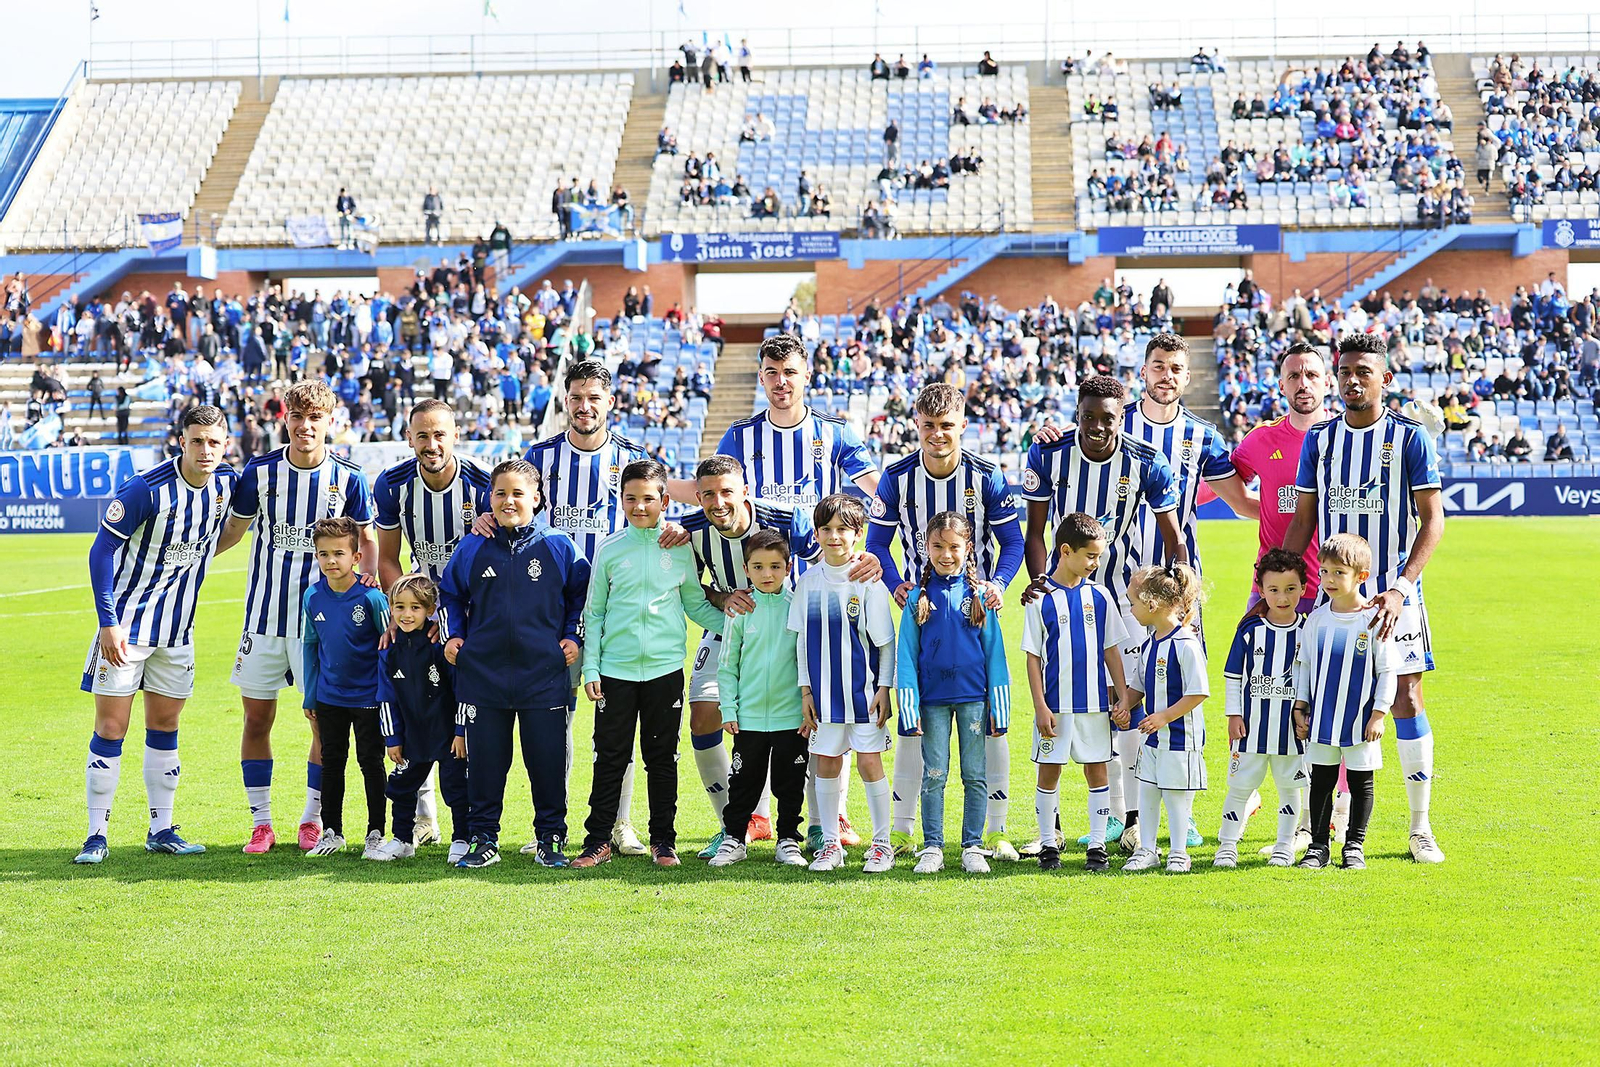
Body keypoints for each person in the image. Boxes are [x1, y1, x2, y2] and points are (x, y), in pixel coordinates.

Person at [712, 333, 882, 849]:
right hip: (760, 591)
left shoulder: (834, 434)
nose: (780, 382)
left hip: (824, 589)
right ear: (760, 377)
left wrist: (866, 548)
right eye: (771, 372)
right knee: (760, 697)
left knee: (830, 700)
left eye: (789, 371)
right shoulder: (741, 436)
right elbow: (716, 493)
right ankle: (757, 816)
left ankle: (835, 818)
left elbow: (876, 492)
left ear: (806, 374)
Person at [1281, 333, 1446, 864]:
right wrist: (1278, 582)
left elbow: (1433, 520)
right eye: (1345, 371)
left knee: (1405, 702)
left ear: (1385, 379)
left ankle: (1419, 827)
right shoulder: (1320, 441)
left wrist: (1400, 585)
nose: (1353, 380)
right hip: (1333, 602)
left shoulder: (1409, 437)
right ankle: (1316, 826)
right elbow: (1303, 521)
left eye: (1364, 372)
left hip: (1394, 598)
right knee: (1321, 700)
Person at [518, 360, 690, 855]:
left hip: (615, 612)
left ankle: (621, 825)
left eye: (594, 397)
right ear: (565, 400)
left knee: (620, 725)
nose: (585, 406)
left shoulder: (633, 459)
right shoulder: (540, 457)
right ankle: (549, 826)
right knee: (556, 719)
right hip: (551, 612)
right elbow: (515, 506)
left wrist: (684, 527)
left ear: (610, 401)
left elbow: (659, 509)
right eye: (576, 397)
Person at [1021, 375, 1182, 854]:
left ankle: (1130, 818)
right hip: (1060, 595)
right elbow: (1034, 530)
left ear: (1122, 416)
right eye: (1088, 416)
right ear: (1076, 412)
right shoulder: (1047, 454)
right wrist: (1039, 581)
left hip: (1123, 601)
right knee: (1064, 698)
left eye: (1107, 418)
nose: (1097, 426)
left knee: (1126, 702)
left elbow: (1173, 535)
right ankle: (1102, 820)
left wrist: (1178, 585)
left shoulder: (1146, 461)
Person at [73, 405, 239, 864]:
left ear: (226, 444)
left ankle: (161, 829)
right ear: (181, 441)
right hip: (126, 631)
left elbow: (227, 534)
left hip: (177, 632)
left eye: (214, 442)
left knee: (165, 728)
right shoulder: (146, 490)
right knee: (111, 728)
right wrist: (108, 622)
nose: (206, 450)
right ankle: (95, 835)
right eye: (197, 441)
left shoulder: (227, 484)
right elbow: (101, 551)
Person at [217, 380, 377, 854]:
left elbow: (367, 542)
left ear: (330, 421)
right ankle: (261, 822)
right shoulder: (260, 473)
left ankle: (311, 818)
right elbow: (233, 531)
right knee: (256, 719)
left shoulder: (349, 478)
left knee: (321, 723)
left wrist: (369, 580)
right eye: (296, 417)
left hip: (324, 627)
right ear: (284, 419)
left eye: (315, 418)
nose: (305, 426)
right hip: (263, 618)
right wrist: (192, 559)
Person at [867, 382, 1022, 858]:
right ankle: (907, 828)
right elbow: (877, 544)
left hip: (974, 609)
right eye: (929, 426)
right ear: (916, 424)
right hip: (922, 609)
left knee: (987, 720)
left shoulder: (988, 475)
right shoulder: (897, 477)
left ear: (962, 426)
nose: (938, 434)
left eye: (947, 426)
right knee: (922, 723)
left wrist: (994, 586)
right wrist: (899, 587)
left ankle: (992, 830)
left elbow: (1012, 543)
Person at [572, 460, 725, 869]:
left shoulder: (679, 548)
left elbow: (695, 604)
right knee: (610, 757)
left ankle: (664, 841)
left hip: (664, 672)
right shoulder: (609, 548)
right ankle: (597, 841)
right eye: (631, 499)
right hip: (615, 674)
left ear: (664, 500)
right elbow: (596, 614)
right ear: (620, 501)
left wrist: (741, 621)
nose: (639, 507)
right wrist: (591, 669)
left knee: (662, 758)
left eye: (648, 499)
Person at [440, 460, 588, 869]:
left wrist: (573, 636)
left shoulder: (558, 545)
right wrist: (454, 635)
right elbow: (449, 594)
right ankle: (483, 839)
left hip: (543, 674)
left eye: (518, 493)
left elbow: (582, 597)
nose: (509, 501)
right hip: (483, 675)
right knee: (486, 764)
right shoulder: (472, 546)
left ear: (537, 499)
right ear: (489, 498)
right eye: (501, 493)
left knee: (547, 761)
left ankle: (551, 838)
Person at [679, 455, 826, 858]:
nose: (719, 502)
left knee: (818, 711)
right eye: (708, 494)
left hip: (789, 626)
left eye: (727, 491)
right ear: (698, 497)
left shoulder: (785, 519)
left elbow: (823, 567)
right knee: (704, 711)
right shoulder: (689, 532)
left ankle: (818, 823)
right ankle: (733, 826)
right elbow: (694, 592)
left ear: (745, 491)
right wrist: (725, 600)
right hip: (729, 625)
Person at [896, 512, 1011, 875]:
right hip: (931, 702)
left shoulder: (981, 596)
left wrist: (1000, 707)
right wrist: (909, 708)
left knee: (975, 775)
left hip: (974, 702)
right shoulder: (917, 598)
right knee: (933, 775)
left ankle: (972, 846)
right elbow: (906, 657)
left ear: (968, 549)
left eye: (954, 547)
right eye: (938, 546)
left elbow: (995, 654)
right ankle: (932, 846)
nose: (946, 554)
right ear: (925, 548)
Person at [791, 494, 897, 873]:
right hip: (824, 697)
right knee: (826, 763)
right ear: (817, 534)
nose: (834, 536)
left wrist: (885, 688)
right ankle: (830, 845)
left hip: (864, 695)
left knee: (870, 763)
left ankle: (882, 844)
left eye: (843, 530)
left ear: (858, 533)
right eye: (827, 530)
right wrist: (805, 690)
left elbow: (886, 644)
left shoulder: (869, 583)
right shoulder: (807, 583)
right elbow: (802, 641)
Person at [1021, 513, 1129, 874]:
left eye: (1099, 557)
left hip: (1095, 706)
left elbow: (1111, 650)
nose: (1096, 563)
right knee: (1049, 774)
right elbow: (1033, 657)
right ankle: (1048, 844)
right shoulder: (1039, 598)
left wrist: (1123, 696)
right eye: (1091, 556)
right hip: (1055, 707)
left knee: (1097, 772)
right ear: (1065, 551)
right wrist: (1039, 705)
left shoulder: (1099, 596)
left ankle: (1097, 846)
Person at [706, 529, 810, 868]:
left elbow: (806, 663)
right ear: (747, 569)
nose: (768, 575)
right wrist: (729, 708)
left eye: (776, 567)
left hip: (790, 717)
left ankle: (788, 840)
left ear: (789, 567)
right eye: (759, 567)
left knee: (790, 783)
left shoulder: (796, 608)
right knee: (744, 782)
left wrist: (807, 709)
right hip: (748, 718)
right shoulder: (739, 611)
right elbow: (727, 666)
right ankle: (734, 838)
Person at [1292, 534, 1395, 871]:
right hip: (1322, 719)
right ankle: (1318, 846)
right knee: (1320, 780)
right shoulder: (1318, 620)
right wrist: (1300, 706)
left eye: (1339, 573)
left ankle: (1354, 846)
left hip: (1360, 721)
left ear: (1361, 577)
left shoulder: (1374, 620)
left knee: (1361, 781)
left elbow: (1387, 670)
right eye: (1324, 572)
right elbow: (1304, 665)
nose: (1329, 580)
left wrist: (1378, 714)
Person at [300, 517, 391, 859]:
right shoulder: (313, 596)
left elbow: (387, 648)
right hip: (329, 698)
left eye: (339, 553)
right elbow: (310, 646)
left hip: (368, 697)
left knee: (371, 763)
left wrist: (385, 695)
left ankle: (376, 833)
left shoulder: (371, 598)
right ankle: (333, 832)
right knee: (331, 762)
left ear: (355, 557)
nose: (331, 561)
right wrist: (311, 694)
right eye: (323, 554)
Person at [1213, 549, 1309, 869]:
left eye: (1290, 589)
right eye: (1274, 590)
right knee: (1240, 788)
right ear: (1261, 590)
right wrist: (1233, 715)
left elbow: (1315, 678)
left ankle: (1284, 846)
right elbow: (1232, 675)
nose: (1282, 597)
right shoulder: (1249, 630)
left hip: (1291, 733)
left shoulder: (1308, 631)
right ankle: (1227, 845)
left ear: (1303, 588)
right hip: (1251, 728)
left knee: (1289, 790)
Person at [1119, 562, 1209, 873]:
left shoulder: (1186, 644)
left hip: (1180, 738)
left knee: (1175, 796)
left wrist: (1163, 717)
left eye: (1133, 603)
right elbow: (1139, 686)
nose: (1130, 610)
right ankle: (1147, 850)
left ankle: (1179, 852)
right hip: (1154, 739)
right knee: (1148, 791)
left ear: (1152, 604)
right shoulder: (1148, 645)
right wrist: (1123, 704)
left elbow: (1198, 692)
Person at [373, 575, 469, 863]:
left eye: (415, 607)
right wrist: (392, 739)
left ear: (430, 611)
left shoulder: (442, 647)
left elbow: (463, 689)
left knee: (457, 787)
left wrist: (461, 730)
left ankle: (462, 838)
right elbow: (386, 697)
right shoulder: (388, 650)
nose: (406, 614)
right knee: (401, 787)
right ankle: (402, 839)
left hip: (447, 733)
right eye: (399, 607)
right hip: (411, 734)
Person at [1232, 341, 1330, 609]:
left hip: (1335, 589)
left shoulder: (1347, 437)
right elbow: (1220, 484)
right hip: (1271, 589)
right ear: (1281, 386)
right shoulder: (1261, 438)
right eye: (1294, 376)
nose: (1303, 383)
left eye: (1312, 375)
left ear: (1328, 382)